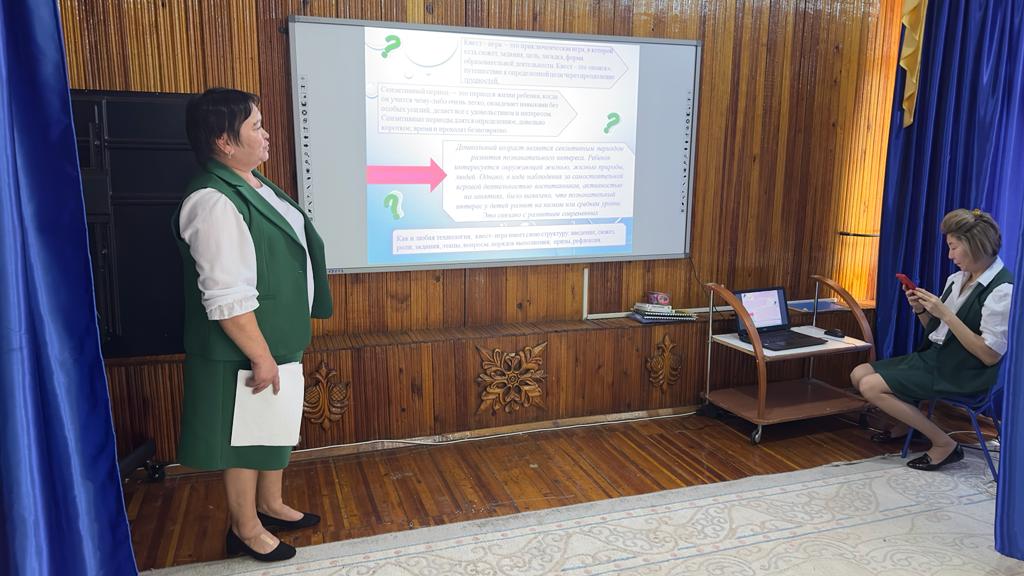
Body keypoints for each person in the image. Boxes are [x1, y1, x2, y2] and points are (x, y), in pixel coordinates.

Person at [173, 88, 332, 561]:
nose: (266, 135)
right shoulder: (213, 201)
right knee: (243, 440)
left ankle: (270, 504)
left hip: (275, 335)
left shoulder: (251, 182)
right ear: (224, 141)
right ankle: (244, 528)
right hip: (242, 345)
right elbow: (225, 294)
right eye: (256, 127)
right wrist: (260, 355)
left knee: (270, 427)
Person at [850, 209, 1012, 471]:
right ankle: (909, 424)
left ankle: (944, 444)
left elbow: (989, 355)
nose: (950, 255)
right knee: (858, 374)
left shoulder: (1002, 291)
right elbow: (938, 333)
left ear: (975, 245)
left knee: (870, 386)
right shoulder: (957, 279)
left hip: (965, 370)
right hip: (937, 357)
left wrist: (945, 313)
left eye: (954, 247)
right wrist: (921, 310)